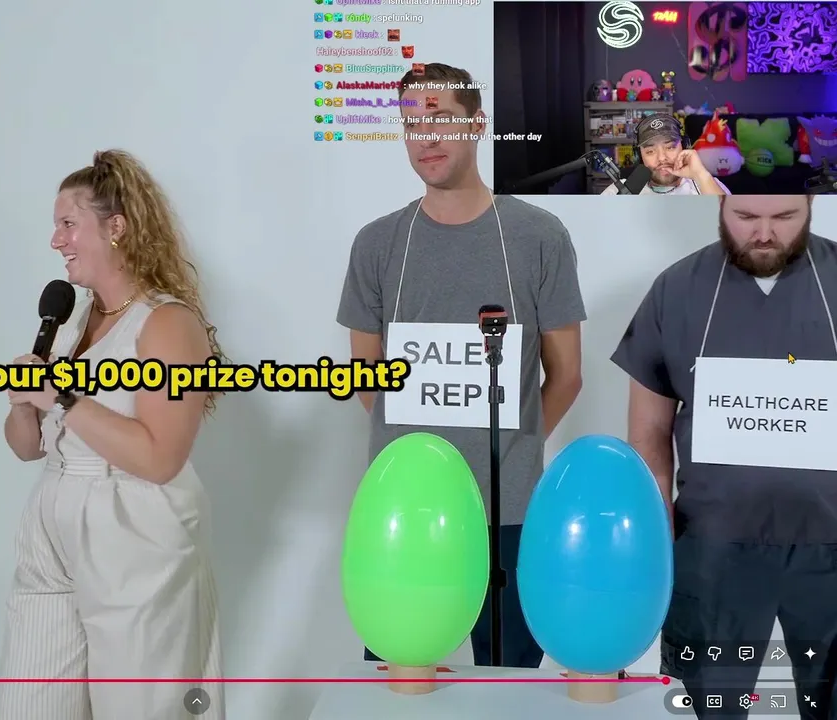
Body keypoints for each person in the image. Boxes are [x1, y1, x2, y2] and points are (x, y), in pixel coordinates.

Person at [337, 63, 586, 669]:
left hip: (508, 509)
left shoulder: (538, 236)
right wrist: (417, 448)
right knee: (402, 684)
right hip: (405, 512)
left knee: (509, 687)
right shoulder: (378, 243)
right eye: (412, 124)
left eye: (442, 119)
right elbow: (366, 377)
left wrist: (513, 445)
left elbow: (567, 375)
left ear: (477, 124)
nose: (426, 137)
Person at [0, 149, 224, 720]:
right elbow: (27, 447)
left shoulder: (167, 323)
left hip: (134, 527)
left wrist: (61, 398)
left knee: (141, 706)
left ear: (116, 227)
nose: (56, 240)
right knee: (29, 706)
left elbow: (161, 457)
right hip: (53, 518)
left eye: (68, 224)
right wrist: (24, 404)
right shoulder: (74, 321)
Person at [611, 195, 837, 720]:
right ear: (720, 203)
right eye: (746, 217)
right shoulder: (677, 289)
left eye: (784, 218)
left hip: (830, 543)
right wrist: (655, 533)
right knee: (712, 706)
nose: (764, 234)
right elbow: (649, 430)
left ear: (810, 204)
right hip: (713, 546)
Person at [600, 113, 729, 195]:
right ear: (639, 156)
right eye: (650, 151)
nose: (662, 158)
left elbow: (730, 224)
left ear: (684, 147)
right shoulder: (619, 191)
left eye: (670, 147)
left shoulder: (707, 184)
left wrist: (700, 174)